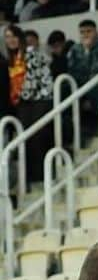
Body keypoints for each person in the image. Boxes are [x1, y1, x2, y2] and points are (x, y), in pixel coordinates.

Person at [5, 23, 52, 181]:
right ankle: (30, 176)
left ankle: (41, 175)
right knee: (25, 139)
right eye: (7, 37)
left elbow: (32, 80)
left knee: (37, 136)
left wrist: (18, 96)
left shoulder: (31, 53)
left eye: (13, 36)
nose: (11, 40)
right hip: (23, 102)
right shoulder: (10, 59)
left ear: (20, 38)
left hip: (39, 98)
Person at [68, 19, 98, 126]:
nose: (85, 35)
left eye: (88, 31)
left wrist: (88, 49)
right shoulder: (75, 49)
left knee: (96, 86)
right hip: (84, 84)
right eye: (82, 32)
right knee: (66, 88)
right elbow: (72, 71)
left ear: (96, 32)